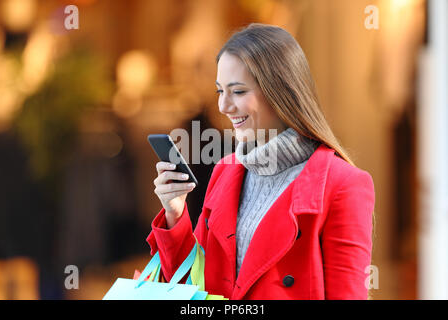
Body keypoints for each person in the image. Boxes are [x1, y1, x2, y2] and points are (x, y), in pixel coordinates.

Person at [147, 23, 375, 300]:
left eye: (238, 91)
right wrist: (175, 214)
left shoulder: (343, 184)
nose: (223, 106)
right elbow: (190, 288)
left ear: (280, 92)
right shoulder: (225, 170)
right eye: (220, 91)